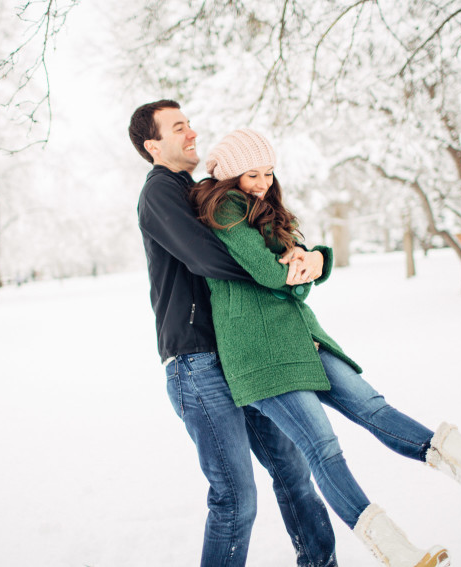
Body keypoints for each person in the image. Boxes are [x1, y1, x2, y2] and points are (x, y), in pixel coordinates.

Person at [192, 128, 461, 567]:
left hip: (301, 338)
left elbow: (297, 287)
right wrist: (303, 262)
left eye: (269, 173)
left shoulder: (263, 210)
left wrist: (312, 259)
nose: (261, 182)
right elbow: (271, 274)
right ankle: (394, 551)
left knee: (374, 408)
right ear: (230, 175)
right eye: (252, 174)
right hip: (260, 354)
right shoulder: (224, 207)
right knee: (323, 448)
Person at [128, 100, 339, 567]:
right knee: (235, 498)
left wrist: (306, 257)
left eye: (190, 123)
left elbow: (263, 228)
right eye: (178, 127)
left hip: (241, 354)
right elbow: (207, 257)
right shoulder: (161, 193)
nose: (192, 132)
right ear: (153, 145)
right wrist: (276, 273)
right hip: (196, 362)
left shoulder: (201, 190)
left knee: (292, 472)